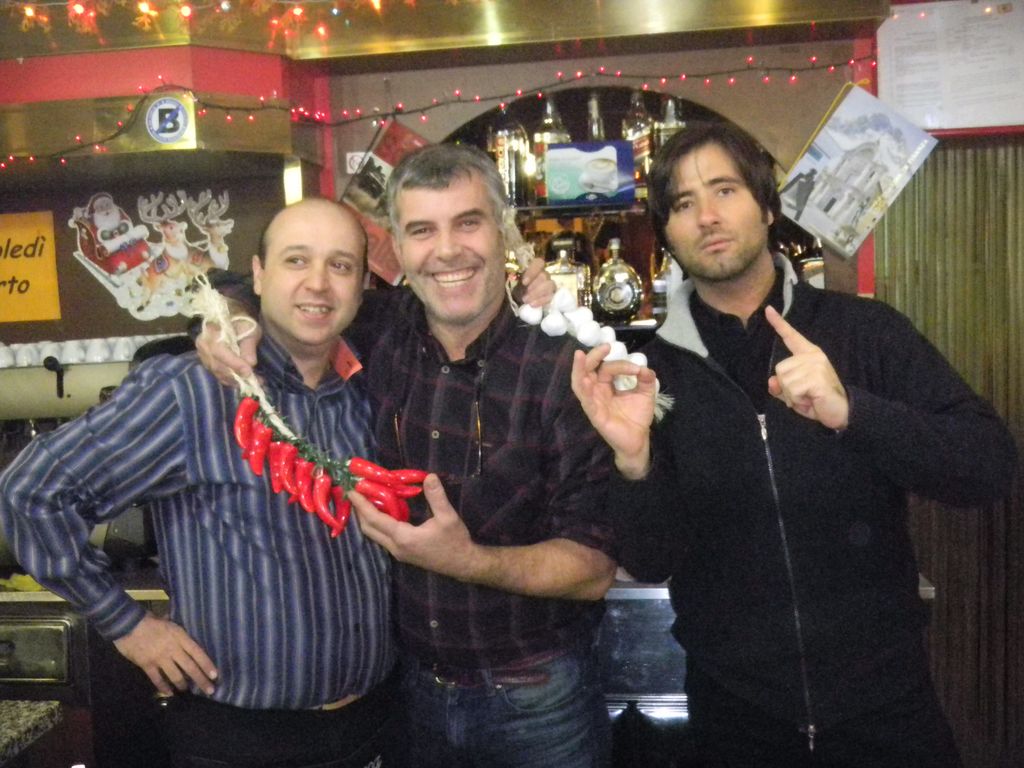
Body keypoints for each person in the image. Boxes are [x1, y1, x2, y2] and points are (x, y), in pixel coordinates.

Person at [570, 122, 1017, 768]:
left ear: (767, 207)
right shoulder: (652, 376)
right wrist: (633, 462)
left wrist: (853, 412)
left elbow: (988, 466)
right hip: (736, 718)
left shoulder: (864, 332)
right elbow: (650, 558)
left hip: (886, 705)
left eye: (725, 189)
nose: (707, 216)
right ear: (666, 232)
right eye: (683, 204)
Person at [198, 143, 619, 768]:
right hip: (410, 697)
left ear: (503, 231)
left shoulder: (568, 367)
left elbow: (593, 568)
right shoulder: (380, 326)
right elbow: (250, 284)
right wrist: (225, 321)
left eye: (468, 223)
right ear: (395, 246)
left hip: (539, 700)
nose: (446, 251)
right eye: (422, 230)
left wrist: (468, 561)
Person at [0, 198, 400, 768]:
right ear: (258, 276)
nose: (318, 283)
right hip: (239, 742)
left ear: (362, 287)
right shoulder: (190, 391)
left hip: (371, 727)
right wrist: (127, 625)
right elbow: (30, 491)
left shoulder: (366, 390)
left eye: (340, 265)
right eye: (296, 260)